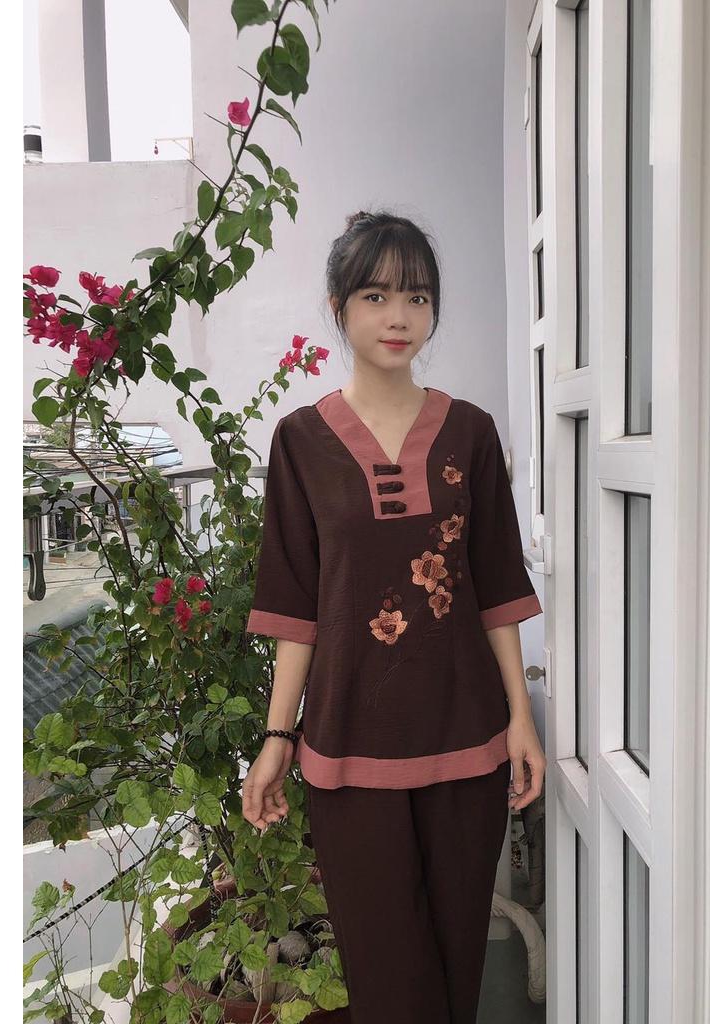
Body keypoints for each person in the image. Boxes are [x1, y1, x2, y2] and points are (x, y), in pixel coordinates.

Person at [241, 209, 546, 1024]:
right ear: (339, 306)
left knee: (455, 970)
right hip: (348, 751)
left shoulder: (470, 434)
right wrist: (277, 737)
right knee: (387, 982)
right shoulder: (301, 442)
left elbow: (495, 585)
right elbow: (296, 604)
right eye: (375, 295)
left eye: (416, 296)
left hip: (467, 741)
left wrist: (520, 717)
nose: (398, 315)